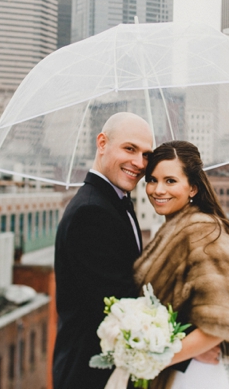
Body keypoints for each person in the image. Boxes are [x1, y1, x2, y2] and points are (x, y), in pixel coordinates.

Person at [134, 140, 229, 389]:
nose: (158, 189)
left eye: (170, 181)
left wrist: (150, 359)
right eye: (152, 180)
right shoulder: (172, 230)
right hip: (177, 371)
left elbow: (221, 324)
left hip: (192, 376)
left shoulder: (203, 230)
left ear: (193, 188)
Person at [53, 112, 154, 389]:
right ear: (102, 143)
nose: (139, 162)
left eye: (146, 155)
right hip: (90, 375)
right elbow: (120, 300)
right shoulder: (91, 212)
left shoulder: (113, 201)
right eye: (130, 149)